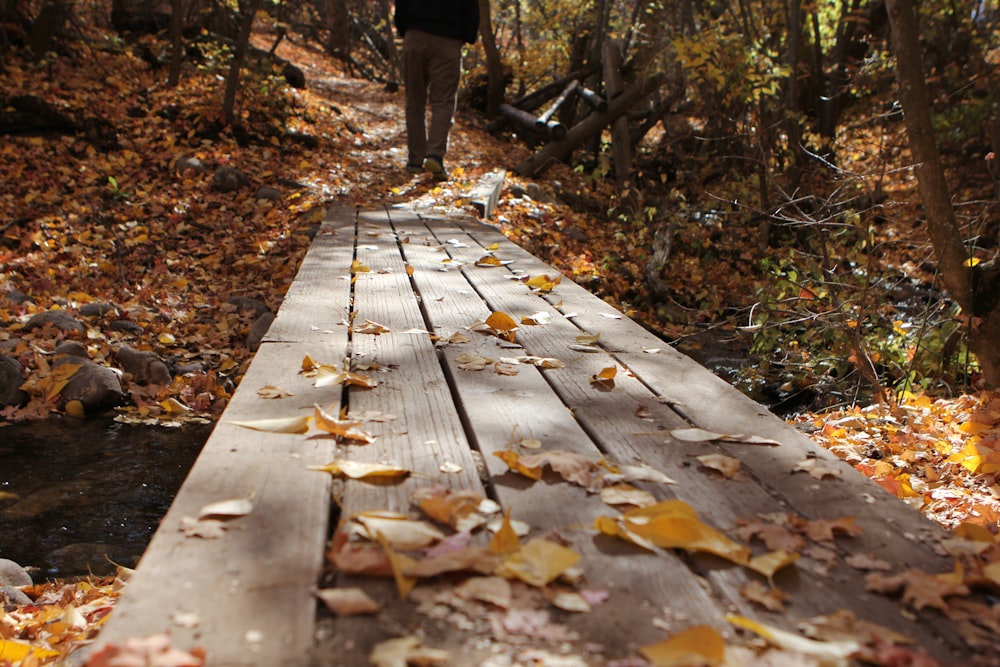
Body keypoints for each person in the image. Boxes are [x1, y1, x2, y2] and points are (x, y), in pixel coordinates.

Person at [394, 0, 480, 181]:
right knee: (443, 101)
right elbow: (471, 8)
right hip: (448, 40)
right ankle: (434, 156)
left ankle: (415, 161)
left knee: (414, 101)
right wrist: (467, 36)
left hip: (415, 35)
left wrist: (404, 29)